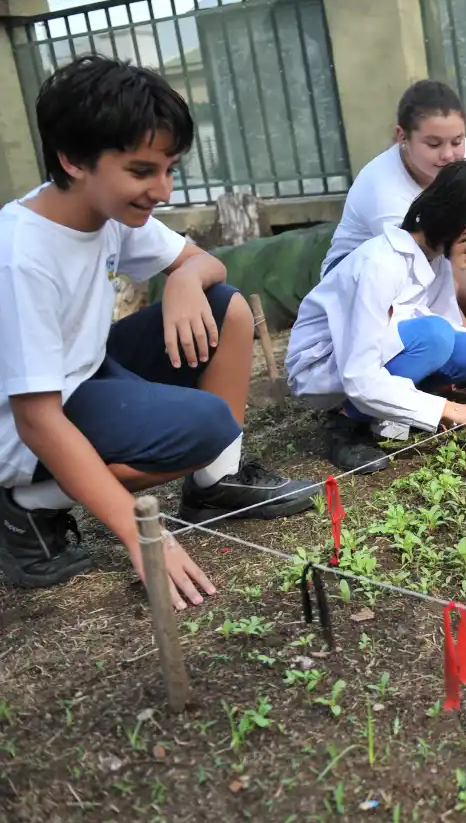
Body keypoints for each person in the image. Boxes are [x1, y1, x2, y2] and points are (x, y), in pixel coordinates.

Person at [0, 56, 316, 608]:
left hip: (84, 371)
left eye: (170, 169)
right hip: (22, 427)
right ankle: (25, 506)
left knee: (225, 306)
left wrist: (184, 281)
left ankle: (216, 481)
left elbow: (204, 263)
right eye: (143, 171)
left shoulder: (105, 210)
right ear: (73, 160)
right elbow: (36, 418)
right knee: (205, 425)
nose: (163, 189)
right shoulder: (21, 257)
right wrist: (142, 532)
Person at [287, 161, 466, 473]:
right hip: (326, 367)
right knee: (436, 338)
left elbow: (446, 320)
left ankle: (402, 405)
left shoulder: (436, 260)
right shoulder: (381, 264)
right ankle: (347, 422)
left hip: (376, 352)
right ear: (448, 212)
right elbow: (359, 374)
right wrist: (453, 410)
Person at [318, 80, 466, 328]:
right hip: (357, 283)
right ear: (402, 136)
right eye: (433, 144)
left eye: (457, 141)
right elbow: (417, 273)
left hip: (433, 262)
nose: (448, 155)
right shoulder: (383, 188)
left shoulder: (464, 153)